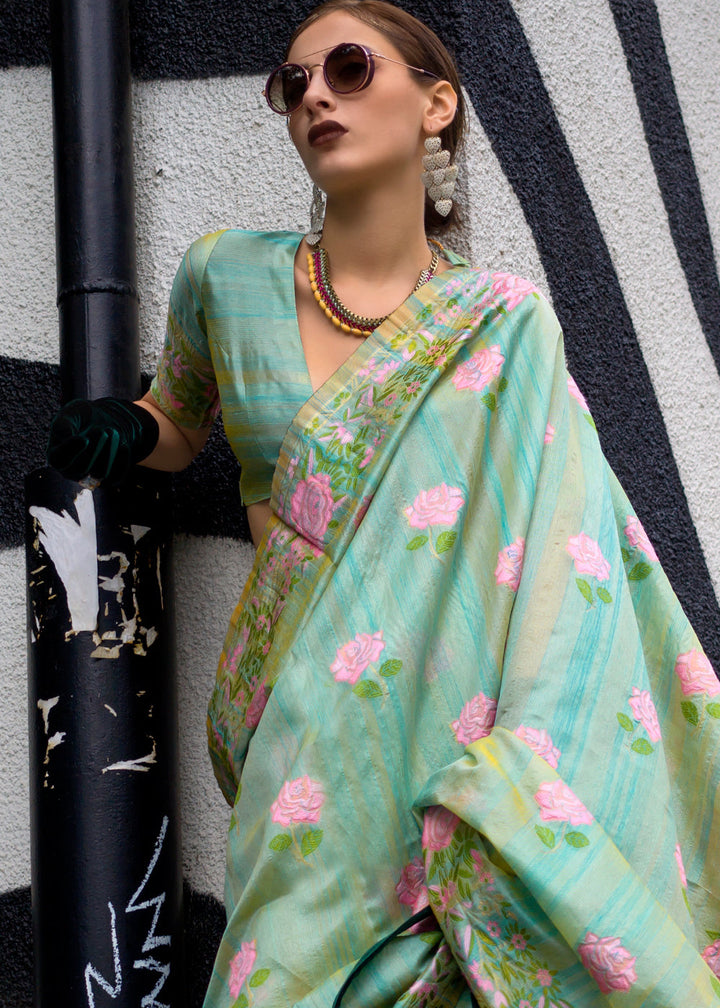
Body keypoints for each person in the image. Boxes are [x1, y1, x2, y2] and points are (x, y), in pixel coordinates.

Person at [47, 1, 720, 1005]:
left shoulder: (504, 328)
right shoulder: (225, 274)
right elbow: (180, 415)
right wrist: (133, 429)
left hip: (457, 730)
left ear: (436, 105)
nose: (316, 95)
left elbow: (563, 553)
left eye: (350, 68)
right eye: (294, 83)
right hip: (304, 737)